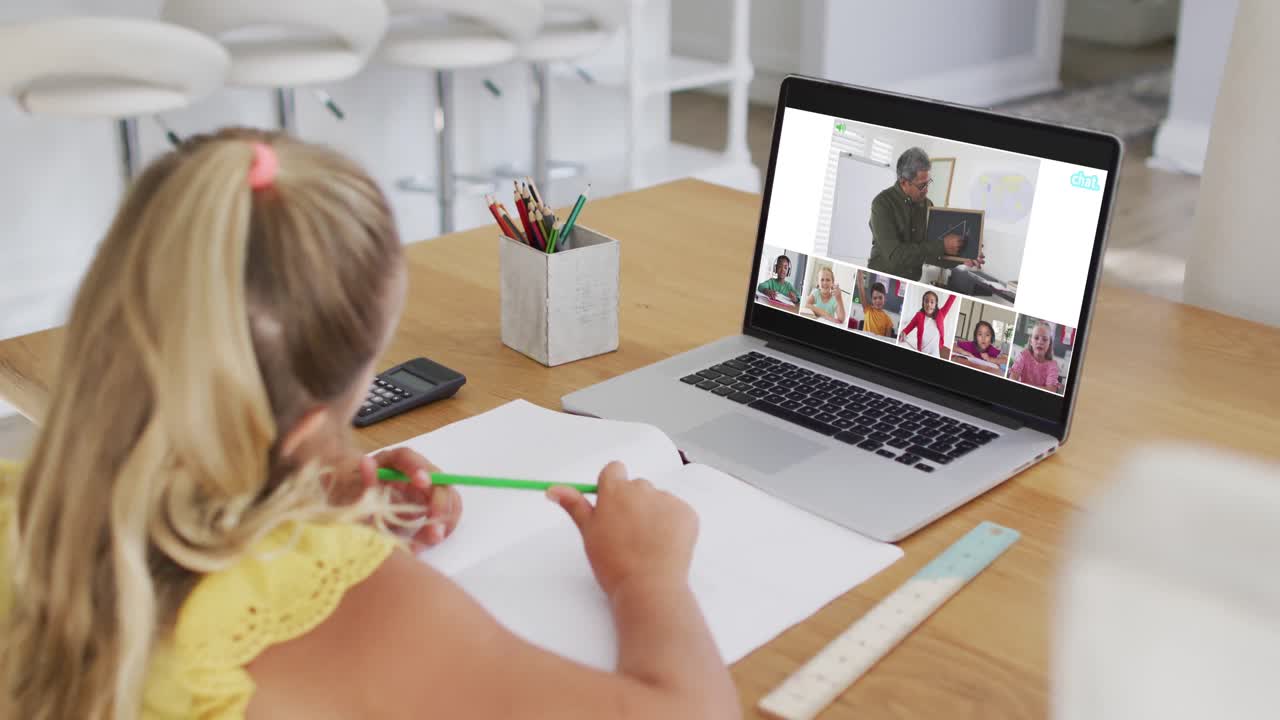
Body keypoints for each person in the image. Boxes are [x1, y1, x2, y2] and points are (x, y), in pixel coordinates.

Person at [0, 129, 739, 719]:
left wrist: (291, 508)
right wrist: (646, 576)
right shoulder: (341, 612)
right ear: (306, 427)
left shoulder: (18, 508)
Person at [867, 147, 983, 281]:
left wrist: (963, 257)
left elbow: (931, 255)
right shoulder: (882, 204)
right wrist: (942, 246)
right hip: (881, 279)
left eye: (928, 183)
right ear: (904, 182)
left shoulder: (928, 205)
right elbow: (896, 255)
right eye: (922, 186)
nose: (927, 190)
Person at [899, 290, 957, 358]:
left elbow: (950, 301)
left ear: (936, 304)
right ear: (923, 303)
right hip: (922, 351)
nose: (929, 304)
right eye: (926, 301)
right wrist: (903, 333)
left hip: (935, 354)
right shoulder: (918, 316)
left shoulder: (940, 314)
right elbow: (907, 329)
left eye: (932, 302)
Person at [1009, 321, 1062, 393]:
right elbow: (1012, 378)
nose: (1040, 342)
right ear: (1031, 341)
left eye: (1045, 339)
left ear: (1049, 343)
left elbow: (1051, 390)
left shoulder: (1052, 366)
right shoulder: (1023, 356)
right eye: (1036, 338)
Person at [854, 273, 896, 337]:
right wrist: (859, 272)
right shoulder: (867, 309)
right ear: (872, 300)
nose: (878, 301)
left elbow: (887, 340)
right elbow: (860, 286)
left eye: (880, 297)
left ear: (885, 298)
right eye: (875, 298)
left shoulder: (888, 320)